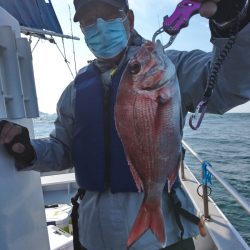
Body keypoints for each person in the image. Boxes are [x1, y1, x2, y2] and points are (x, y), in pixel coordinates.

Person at [0, 0, 250, 249]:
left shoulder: (167, 66)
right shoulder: (75, 91)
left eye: (107, 16)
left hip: (163, 236)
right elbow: (63, 149)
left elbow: (232, 85)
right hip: (92, 235)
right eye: (88, 21)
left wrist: (232, 22)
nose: (99, 27)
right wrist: (30, 150)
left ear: (128, 20)